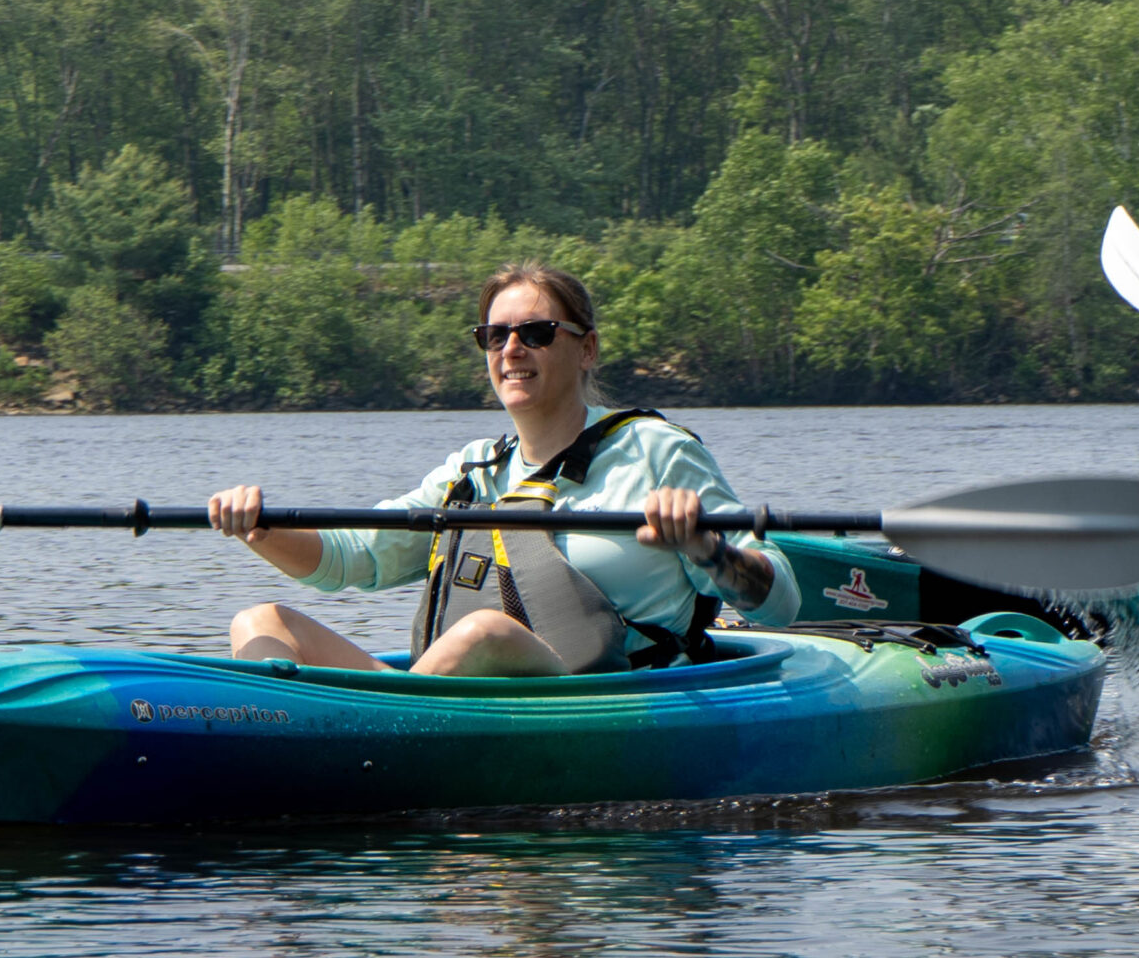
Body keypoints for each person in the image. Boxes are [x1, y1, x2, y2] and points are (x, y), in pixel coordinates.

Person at [206, 261, 800, 676]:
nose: (511, 350)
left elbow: (781, 603)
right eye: (494, 335)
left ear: (586, 348)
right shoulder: (472, 472)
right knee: (260, 621)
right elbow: (351, 558)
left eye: (535, 333)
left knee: (484, 633)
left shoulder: (656, 451)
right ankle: (279, 744)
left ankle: (368, 748)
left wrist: (707, 549)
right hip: (460, 704)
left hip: (606, 700)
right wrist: (259, 529)